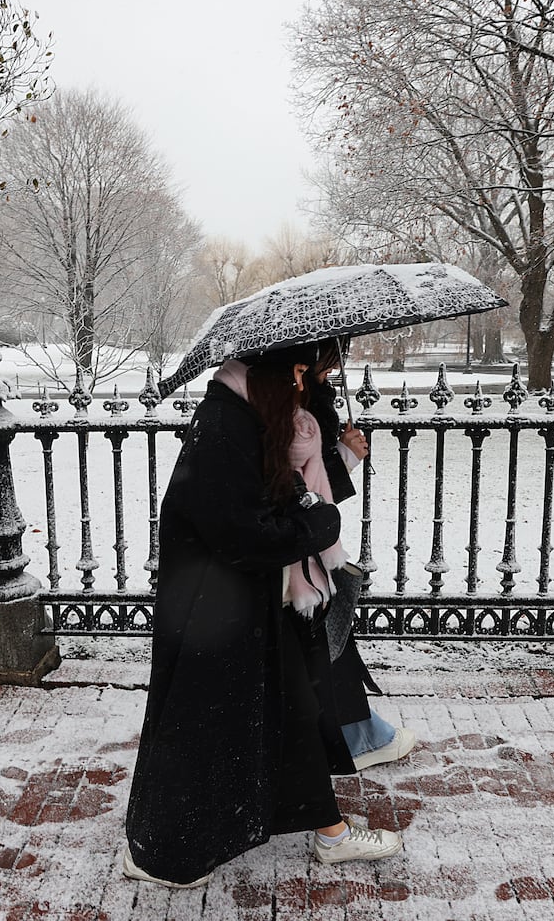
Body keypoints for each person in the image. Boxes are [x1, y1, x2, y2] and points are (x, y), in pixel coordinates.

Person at [123, 342, 403, 888]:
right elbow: (240, 529)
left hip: (247, 603)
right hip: (217, 609)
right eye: (299, 371)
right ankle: (165, 855)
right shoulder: (226, 424)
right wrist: (318, 528)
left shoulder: (251, 417)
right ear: (272, 372)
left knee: (294, 711)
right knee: (200, 728)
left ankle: (329, 830)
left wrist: (314, 494)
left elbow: (273, 496)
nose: (306, 383)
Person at [294, 338, 417, 770]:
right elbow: (304, 490)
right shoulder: (300, 409)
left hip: (307, 551)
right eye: (327, 361)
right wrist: (346, 455)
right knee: (327, 640)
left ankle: (355, 733)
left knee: (328, 639)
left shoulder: (313, 399)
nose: (334, 368)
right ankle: (356, 737)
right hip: (303, 556)